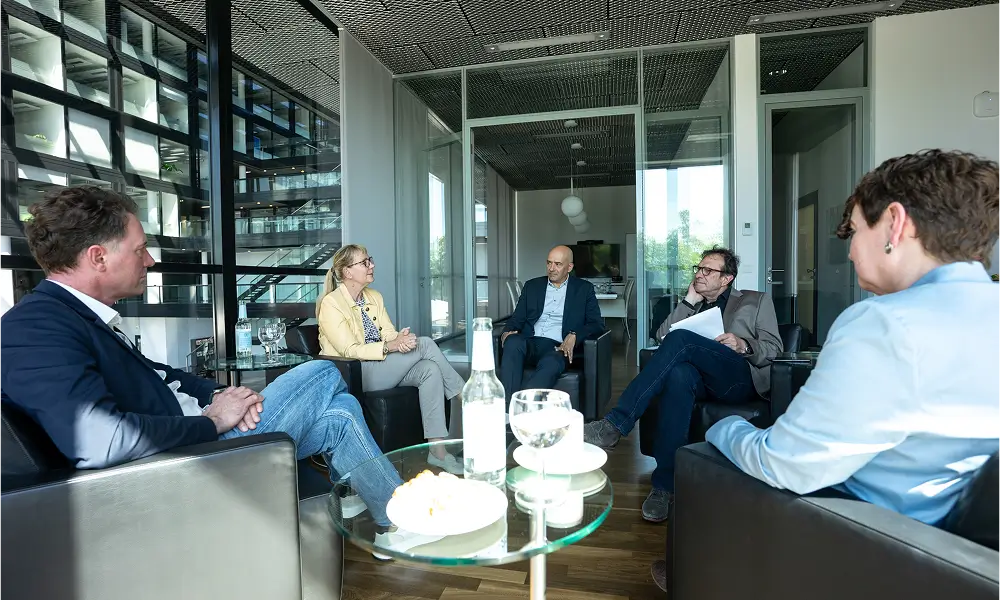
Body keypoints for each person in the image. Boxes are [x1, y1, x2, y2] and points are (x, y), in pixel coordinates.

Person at [649, 149, 1000, 591]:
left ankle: (695, 572)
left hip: (859, 531)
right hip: (949, 545)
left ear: (895, 223)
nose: (850, 252)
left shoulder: (884, 322)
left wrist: (725, 429)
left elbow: (785, 466)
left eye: (854, 231)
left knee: (710, 449)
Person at [0, 186, 416, 552]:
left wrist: (218, 394)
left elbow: (158, 375)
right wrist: (213, 420)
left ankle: (395, 524)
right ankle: (402, 518)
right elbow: (99, 441)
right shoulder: (37, 328)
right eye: (139, 249)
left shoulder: (83, 318)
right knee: (325, 372)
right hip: (191, 461)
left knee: (339, 415)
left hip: (198, 441)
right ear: (98, 257)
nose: (150, 261)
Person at [584, 246, 782, 523]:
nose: (699, 274)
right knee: (679, 375)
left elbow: (774, 348)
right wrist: (688, 302)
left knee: (682, 340)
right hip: (701, 379)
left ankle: (615, 425)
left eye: (708, 270)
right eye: (698, 269)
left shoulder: (756, 300)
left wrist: (743, 343)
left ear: (727, 278)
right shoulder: (694, 304)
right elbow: (663, 337)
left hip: (739, 377)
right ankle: (664, 487)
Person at [316, 244, 464, 474]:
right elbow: (348, 350)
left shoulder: (373, 297)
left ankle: (438, 452)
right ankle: (466, 396)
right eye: (364, 262)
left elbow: (387, 333)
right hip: (356, 372)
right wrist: (390, 346)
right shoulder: (331, 303)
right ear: (347, 272)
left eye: (370, 260)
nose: (371, 265)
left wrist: (400, 339)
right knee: (426, 344)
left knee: (430, 369)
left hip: (382, 366)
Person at [499, 245, 605, 404]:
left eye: (558, 264)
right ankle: (507, 410)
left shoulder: (583, 289)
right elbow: (517, 318)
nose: (551, 268)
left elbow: (596, 324)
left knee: (553, 361)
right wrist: (507, 331)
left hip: (558, 347)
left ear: (569, 267)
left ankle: (523, 406)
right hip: (530, 341)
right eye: (549, 263)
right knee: (513, 342)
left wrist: (575, 335)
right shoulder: (532, 286)